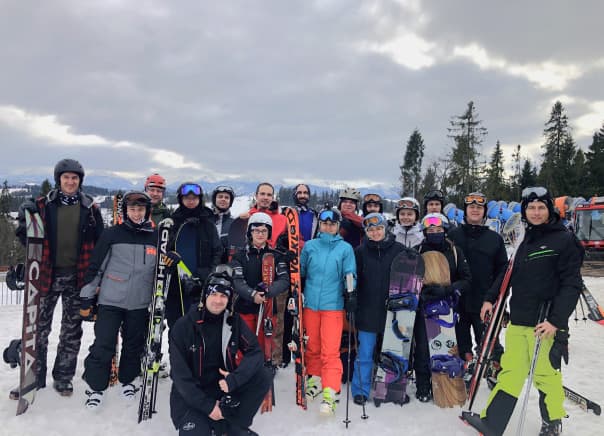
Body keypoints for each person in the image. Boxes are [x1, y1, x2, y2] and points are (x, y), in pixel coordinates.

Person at [466, 187, 583, 436]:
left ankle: (552, 422)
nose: (536, 212)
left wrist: (556, 321)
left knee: (545, 375)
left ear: (550, 209)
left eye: (541, 207)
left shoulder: (564, 240)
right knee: (511, 373)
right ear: (525, 211)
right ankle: (492, 422)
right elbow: (507, 275)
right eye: (531, 208)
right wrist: (490, 299)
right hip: (520, 320)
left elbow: (572, 285)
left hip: (546, 322)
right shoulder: (525, 241)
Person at [12, 158, 104, 398]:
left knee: (71, 331)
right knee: (37, 329)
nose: (71, 182)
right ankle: (34, 375)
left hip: (78, 276)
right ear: (59, 180)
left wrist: (96, 280)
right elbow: (24, 234)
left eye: (75, 178)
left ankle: (63, 378)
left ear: (80, 181)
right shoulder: (43, 205)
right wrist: (25, 215)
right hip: (46, 275)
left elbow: (100, 243)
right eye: (66, 178)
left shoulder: (90, 209)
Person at [169, 269, 272, 436]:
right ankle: (214, 423)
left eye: (223, 296)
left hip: (224, 392)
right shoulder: (183, 326)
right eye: (214, 294)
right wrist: (208, 407)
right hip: (193, 399)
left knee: (262, 375)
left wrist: (235, 379)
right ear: (205, 296)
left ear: (229, 299)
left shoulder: (233, 321)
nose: (218, 300)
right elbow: (180, 377)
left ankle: (236, 426)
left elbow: (255, 352)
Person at [79, 191, 157, 408]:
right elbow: (96, 266)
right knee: (103, 344)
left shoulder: (155, 236)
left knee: (133, 345)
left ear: (147, 211)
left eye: (141, 209)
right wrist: (86, 297)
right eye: (132, 209)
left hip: (139, 303)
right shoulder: (112, 234)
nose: (136, 213)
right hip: (111, 301)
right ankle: (96, 387)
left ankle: (127, 380)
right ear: (125, 211)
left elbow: (160, 270)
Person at [300, 206, 356, 415]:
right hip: (311, 307)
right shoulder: (311, 246)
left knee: (330, 351)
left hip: (333, 307)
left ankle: (330, 392)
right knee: (312, 346)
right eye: (325, 223)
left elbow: (350, 273)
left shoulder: (345, 249)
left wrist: (351, 293)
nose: (328, 226)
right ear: (320, 225)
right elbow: (302, 271)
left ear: (338, 226)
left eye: (332, 224)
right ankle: (314, 381)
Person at [414, 213, 471, 403]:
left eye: (438, 230)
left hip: (447, 305)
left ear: (445, 231)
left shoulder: (455, 251)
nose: (435, 233)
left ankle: (447, 381)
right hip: (425, 305)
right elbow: (410, 279)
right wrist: (421, 292)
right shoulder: (418, 250)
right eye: (431, 230)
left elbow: (466, 279)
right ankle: (423, 383)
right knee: (422, 346)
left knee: (447, 345)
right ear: (425, 232)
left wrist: (449, 289)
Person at [351, 213, 407, 405]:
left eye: (378, 228)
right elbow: (353, 279)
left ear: (385, 229)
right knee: (365, 353)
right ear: (366, 232)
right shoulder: (359, 252)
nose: (375, 232)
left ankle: (392, 387)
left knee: (393, 352)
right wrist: (351, 299)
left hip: (393, 311)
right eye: (371, 230)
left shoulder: (400, 250)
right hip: (367, 309)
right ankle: (360, 389)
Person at [448, 192, 508, 366]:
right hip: (458, 301)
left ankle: (494, 370)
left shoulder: (494, 239)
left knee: (489, 342)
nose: (475, 210)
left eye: (479, 207)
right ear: (465, 210)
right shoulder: (453, 236)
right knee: (460, 343)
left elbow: (502, 271)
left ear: (485, 211)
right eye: (471, 207)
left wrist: (493, 298)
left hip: (484, 301)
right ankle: (464, 368)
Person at [166, 182, 222, 328]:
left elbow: (217, 250)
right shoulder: (173, 221)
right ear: (181, 200)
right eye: (187, 198)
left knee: (200, 326)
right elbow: (166, 247)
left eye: (194, 198)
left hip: (201, 283)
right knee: (177, 326)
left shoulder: (208, 222)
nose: (191, 201)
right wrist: (170, 255)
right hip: (176, 284)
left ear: (199, 199)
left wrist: (209, 273)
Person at [230, 213, 290, 352]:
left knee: (266, 341)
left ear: (269, 233)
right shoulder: (239, 256)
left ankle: (266, 366)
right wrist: (252, 294)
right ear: (250, 232)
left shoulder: (276, 255)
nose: (260, 234)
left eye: (264, 230)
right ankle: (245, 367)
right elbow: (237, 281)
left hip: (268, 306)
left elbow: (284, 280)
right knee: (246, 340)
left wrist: (268, 291)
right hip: (245, 305)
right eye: (256, 230)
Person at [242, 183, 286, 248]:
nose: (265, 197)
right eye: (262, 194)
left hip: (275, 256)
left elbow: (295, 240)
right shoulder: (248, 218)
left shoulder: (283, 220)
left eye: (269, 195)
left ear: (272, 198)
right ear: (256, 196)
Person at [211, 185, 236, 263]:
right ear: (215, 199)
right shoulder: (206, 221)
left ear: (230, 201)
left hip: (226, 268)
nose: (223, 199)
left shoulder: (234, 223)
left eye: (226, 197)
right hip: (207, 268)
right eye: (220, 197)